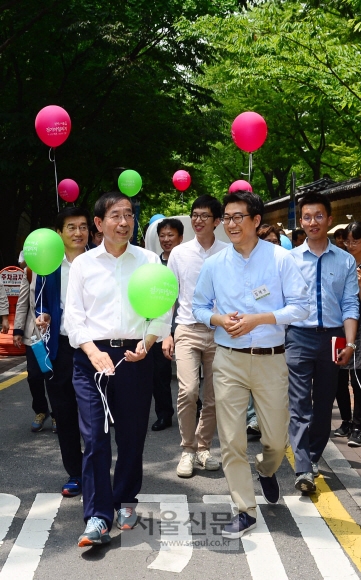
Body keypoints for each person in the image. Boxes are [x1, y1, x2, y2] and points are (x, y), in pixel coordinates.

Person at [192, 190, 309, 539]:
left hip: (271, 360)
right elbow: (198, 307)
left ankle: (267, 470)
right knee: (231, 440)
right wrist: (217, 319)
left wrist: (259, 319)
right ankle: (244, 509)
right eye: (226, 218)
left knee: (275, 439)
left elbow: (300, 307)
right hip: (228, 360)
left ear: (256, 221)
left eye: (237, 217)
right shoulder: (214, 264)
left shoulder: (279, 259)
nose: (230, 224)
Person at [64, 192, 171, 548]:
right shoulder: (83, 264)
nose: (123, 222)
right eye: (115, 216)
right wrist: (92, 352)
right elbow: (73, 317)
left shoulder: (149, 259)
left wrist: (150, 340)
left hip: (134, 358)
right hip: (90, 360)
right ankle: (97, 516)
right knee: (94, 438)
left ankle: (126, 499)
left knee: (131, 436)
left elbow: (162, 307)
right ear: (99, 224)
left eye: (128, 215)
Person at [286, 192, 359, 494]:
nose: (312, 221)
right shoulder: (289, 260)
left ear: (328, 220)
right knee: (300, 403)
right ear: (301, 221)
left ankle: (313, 457)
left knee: (325, 403)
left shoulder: (344, 261)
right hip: (298, 336)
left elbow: (350, 305)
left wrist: (351, 343)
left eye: (318, 216)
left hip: (333, 338)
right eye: (307, 216)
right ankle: (304, 467)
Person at [167, 194, 228, 478]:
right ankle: (187, 450)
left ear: (217, 221)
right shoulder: (179, 253)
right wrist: (167, 333)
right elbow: (170, 296)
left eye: (205, 216)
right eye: (195, 214)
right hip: (187, 329)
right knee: (188, 391)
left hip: (220, 332)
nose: (198, 220)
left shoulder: (228, 252)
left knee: (214, 396)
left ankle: (204, 447)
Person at [35, 207, 91, 498]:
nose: (78, 233)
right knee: (65, 413)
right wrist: (42, 316)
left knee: (94, 415)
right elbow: (41, 302)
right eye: (71, 227)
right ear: (59, 233)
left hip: (94, 349)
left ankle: (95, 469)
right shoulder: (49, 265)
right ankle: (75, 472)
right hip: (60, 348)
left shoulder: (99, 260)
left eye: (82, 227)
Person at [151, 218, 184, 431]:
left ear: (180, 237)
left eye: (170, 235)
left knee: (186, 372)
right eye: (162, 235)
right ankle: (164, 414)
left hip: (185, 323)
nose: (166, 239)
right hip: (160, 325)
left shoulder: (188, 259)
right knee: (159, 373)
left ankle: (195, 407)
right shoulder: (153, 262)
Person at [13, 268, 55, 433]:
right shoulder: (30, 271)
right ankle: (40, 410)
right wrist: (18, 330)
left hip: (57, 334)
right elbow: (22, 302)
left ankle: (57, 414)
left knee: (53, 376)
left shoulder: (64, 266)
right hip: (34, 335)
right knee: (34, 376)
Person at [334, 222, 361, 447]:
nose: (350, 245)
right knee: (339, 377)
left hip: (358, 331)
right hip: (340, 327)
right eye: (348, 241)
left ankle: (359, 426)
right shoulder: (343, 262)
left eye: (355, 241)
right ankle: (346, 420)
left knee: (358, 378)